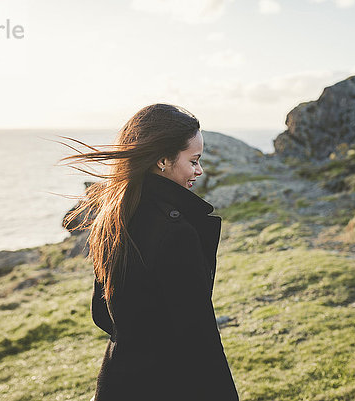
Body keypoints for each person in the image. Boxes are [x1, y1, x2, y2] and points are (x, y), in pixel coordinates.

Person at [59, 103, 239, 401]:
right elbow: (200, 340)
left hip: (118, 381)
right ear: (163, 160)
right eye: (193, 161)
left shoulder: (114, 216)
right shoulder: (177, 234)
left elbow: (102, 313)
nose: (199, 170)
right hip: (168, 385)